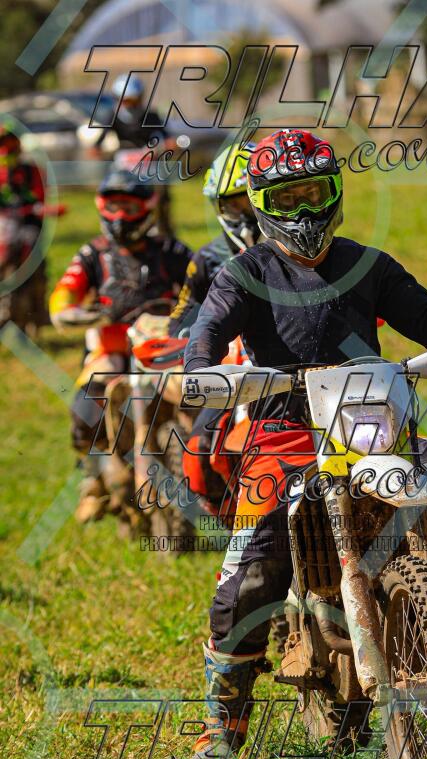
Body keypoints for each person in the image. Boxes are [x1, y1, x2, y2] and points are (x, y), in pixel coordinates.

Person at [183, 128, 427, 759]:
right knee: (253, 569)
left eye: (312, 193)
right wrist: (203, 369)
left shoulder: (367, 264)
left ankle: (423, 607)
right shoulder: (244, 273)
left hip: (372, 422)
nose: (301, 211)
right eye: (285, 198)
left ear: (335, 193)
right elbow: (207, 331)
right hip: (285, 433)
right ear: (260, 204)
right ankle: (223, 723)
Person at [49, 169, 191, 523]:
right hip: (110, 349)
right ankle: (93, 479)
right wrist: (71, 311)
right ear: (101, 207)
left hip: (162, 348)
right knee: (86, 407)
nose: (121, 216)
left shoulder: (172, 251)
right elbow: (65, 292)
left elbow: (204, 284)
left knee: (200, 397)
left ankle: (206, 470)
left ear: (147, 209)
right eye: (113, 207)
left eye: (129, 207)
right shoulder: (93, 253)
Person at [169, 142, 260, 512]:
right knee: (199, 453)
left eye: (249, 201)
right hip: (233, 371)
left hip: (304, 363)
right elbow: (183, 312)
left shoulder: (304, 251)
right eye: (233, 204)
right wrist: (189, 337)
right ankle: (234, 526)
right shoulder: (207, 259)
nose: (244, 214)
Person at [91, 74, 173, 235]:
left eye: (133, 100)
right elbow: (98, 143)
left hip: (148, 165)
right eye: (125, 100)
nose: (129, 105)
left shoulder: (151, 116)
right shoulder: (113, 116)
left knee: (160, 195)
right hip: (123, 167)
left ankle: (162, 228)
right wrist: (98, 152)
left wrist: (163, 147)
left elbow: (167, 138)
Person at [0, 124, 48, 330]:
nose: (7, 149)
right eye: (3, 144)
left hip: (27, 225)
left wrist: (40, 208)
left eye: (10, 142)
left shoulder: (31, 171)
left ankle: (37, 311)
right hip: (4, 228)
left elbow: (42, 198)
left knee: (34, 261)